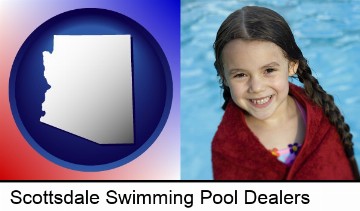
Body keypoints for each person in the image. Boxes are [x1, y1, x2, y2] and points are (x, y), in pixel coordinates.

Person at [211, 6, 360, 180]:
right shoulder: (226, 148)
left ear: (291, 66)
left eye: (268, 70)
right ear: (224, 77)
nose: (257, 87)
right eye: (240, 74)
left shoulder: (320, 108)